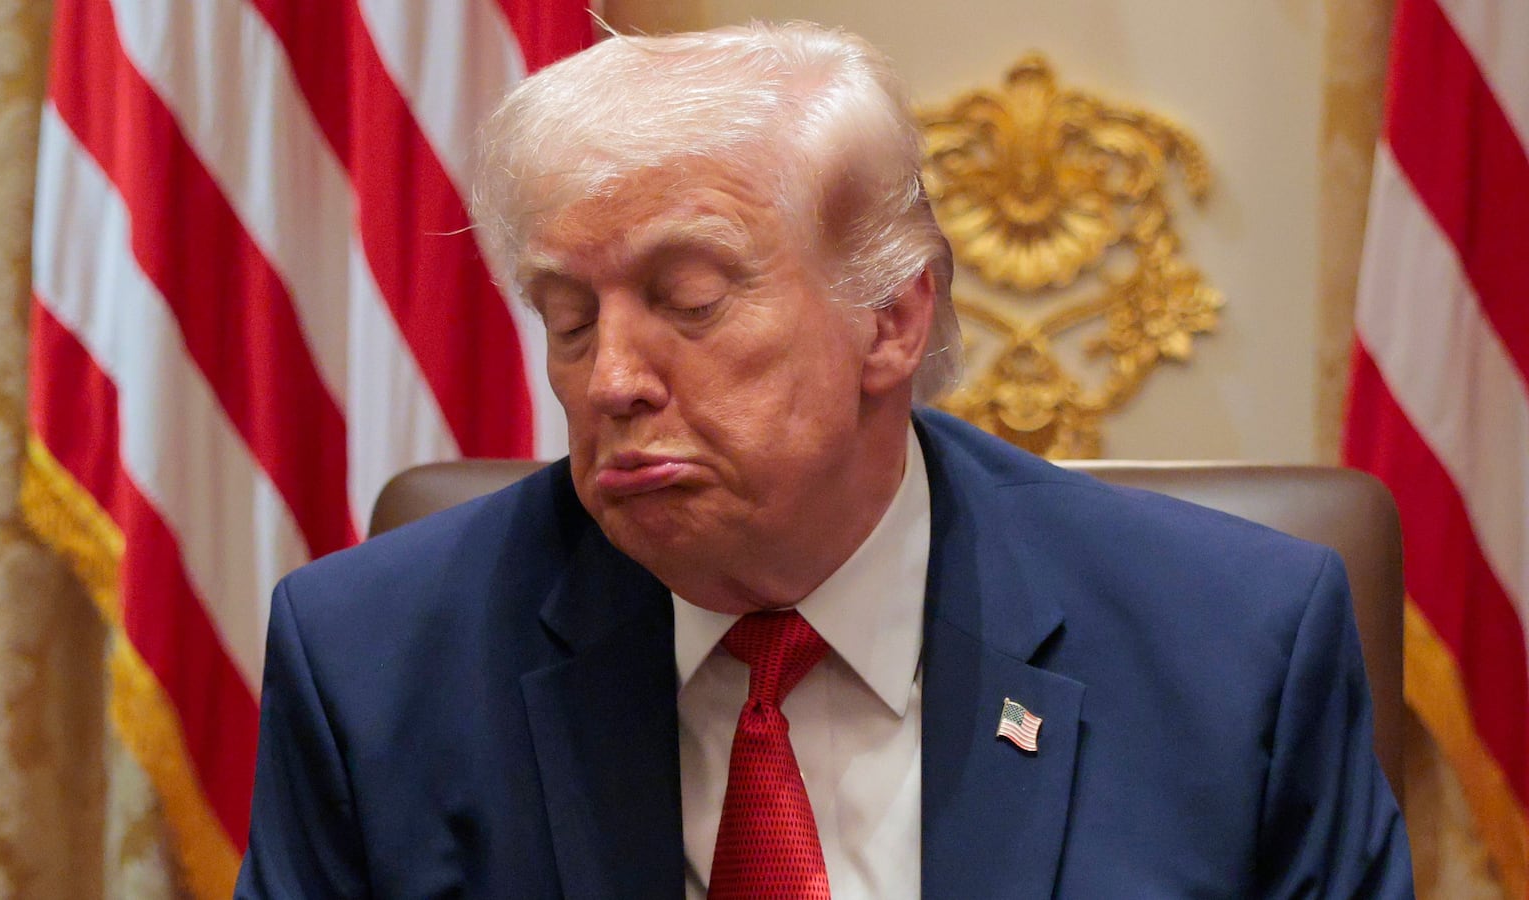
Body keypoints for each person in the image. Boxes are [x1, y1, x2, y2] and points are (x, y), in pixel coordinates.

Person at [235, 22, 1412, 898]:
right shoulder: (373, 663)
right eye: (568, 319)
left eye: (685, 300)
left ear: (891, 321)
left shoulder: (1232, 644)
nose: (610, 383)